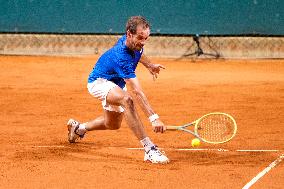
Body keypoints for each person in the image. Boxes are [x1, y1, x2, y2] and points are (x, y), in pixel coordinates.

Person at [67, 16, 169, 164]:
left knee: (112, 124)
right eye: (140, 38)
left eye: (146, 38)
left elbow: (139, 53)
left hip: (115, 83)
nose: (143, 42)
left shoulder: (133, 43)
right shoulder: (121, 56)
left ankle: (79, 128)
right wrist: (154, 118)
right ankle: (149, 149)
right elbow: (137, 91)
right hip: (99, 82)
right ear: (129, 34)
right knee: (127, 100)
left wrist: (150, 65)